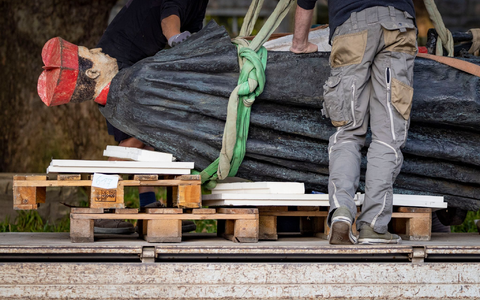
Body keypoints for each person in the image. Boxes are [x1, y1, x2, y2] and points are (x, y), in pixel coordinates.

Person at [39, 0, 208, 234]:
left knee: (148, 138)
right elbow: (170, 18)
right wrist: (175, 38)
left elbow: (194, 32)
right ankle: (100, 209)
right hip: (115, 65)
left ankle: (147, 205)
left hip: (134, 64)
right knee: (133, 140)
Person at [291, 1, 417, 244]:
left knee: (348, 131)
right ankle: (373, 226)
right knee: (388, 135)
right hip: (398, 27)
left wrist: (300, 43)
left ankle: (342, 213)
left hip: (352, 28)